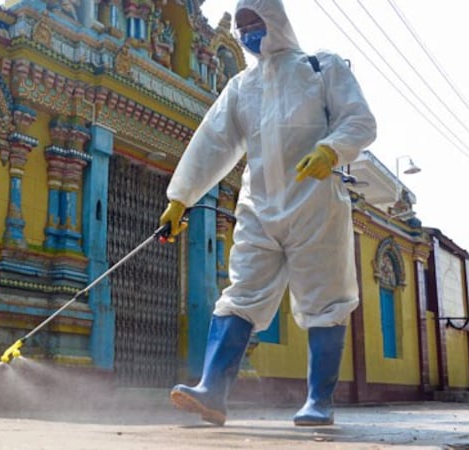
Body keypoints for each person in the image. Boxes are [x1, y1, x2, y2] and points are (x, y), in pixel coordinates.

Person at [159, 0, 376, 427]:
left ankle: (318, 401)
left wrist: (330, 149)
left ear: (276, 19)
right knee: (241, 293)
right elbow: (212, 143)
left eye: (254, 22)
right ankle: (212, 391)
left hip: (315, 202)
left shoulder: (321, 67)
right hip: (259, 206)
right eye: (241, 26)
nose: (247, 33)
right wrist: (180, 197)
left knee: (324, 298)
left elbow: (360, 121)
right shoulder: (242, 86)